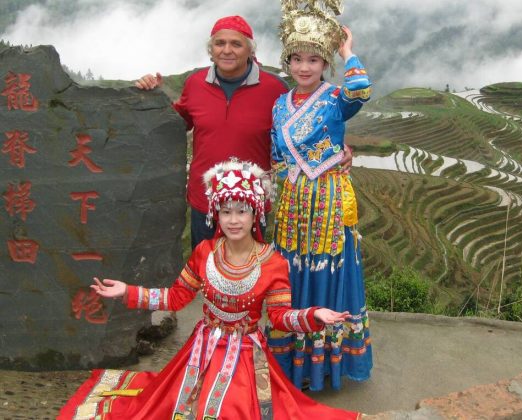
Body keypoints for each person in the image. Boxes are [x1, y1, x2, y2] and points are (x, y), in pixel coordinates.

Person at [57, 160, 361, 419]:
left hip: (245, 354)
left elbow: (279, 317)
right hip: (201, 350)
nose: (233, 220)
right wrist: (128, 292)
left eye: (241, 211)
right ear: (215, 214)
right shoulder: (205, 251)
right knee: (171, 406)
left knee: (232, 409)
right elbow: (176, 297)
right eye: (225, 211)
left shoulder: (273, 263)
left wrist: (313, 315)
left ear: (256, 214)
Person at [135, 15, 352, 250]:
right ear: (211, 49)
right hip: (205, 199)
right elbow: (174, 125)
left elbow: (307, 125)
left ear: (250, 50)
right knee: (205, 268)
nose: (227, 50)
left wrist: (339, 149)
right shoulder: (195, 84)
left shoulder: (274, 89)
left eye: (236, 44)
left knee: (248, 275)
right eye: (220, 43)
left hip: (252, 200)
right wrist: (152, 96)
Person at [267, 0, 372, 392]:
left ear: (325, 63)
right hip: (294, 201)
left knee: (327, 270)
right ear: (288, 62)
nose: (304, 67)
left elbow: (361, 90)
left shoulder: (334, 99)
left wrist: (348, 51)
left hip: (327, 198)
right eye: (296, 59)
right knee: (292, 273)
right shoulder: (280, 104)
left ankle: (325, 364)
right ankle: (292, 362)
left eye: (314, 59)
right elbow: (276, 154)